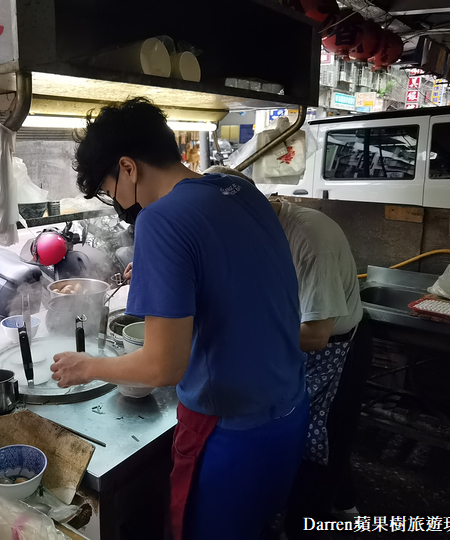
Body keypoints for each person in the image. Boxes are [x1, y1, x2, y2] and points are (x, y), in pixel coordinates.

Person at [50, 98, 309, 539]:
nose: (114, 202)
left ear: (128, 167)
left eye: (109, 189)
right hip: (288, 415)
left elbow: (161, 367)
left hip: (229, 438)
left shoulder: (161, 219)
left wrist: (87, 366)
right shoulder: (240, 190)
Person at [206, 166, 370, 538]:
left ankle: (305, 525)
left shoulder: (311, 240)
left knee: (319, 444)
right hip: (286, 341)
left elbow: (316, 335)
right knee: (310, 439)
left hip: (334, 351)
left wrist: (242, 336)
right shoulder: (244, 231)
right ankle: (345, 501)